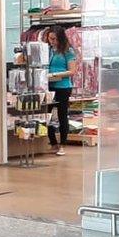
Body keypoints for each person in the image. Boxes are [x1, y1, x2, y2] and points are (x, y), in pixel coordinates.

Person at [46, 25, 78, 156]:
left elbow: (72, 71)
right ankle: (53, 142)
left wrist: (56, 75)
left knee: (62, 115)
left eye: (54, 39)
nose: (52, 41)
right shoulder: (47, 50)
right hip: (48, 86)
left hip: (63, 87)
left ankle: (63, 144)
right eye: (50, 39)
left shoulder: (68, 51)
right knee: (46, 115)